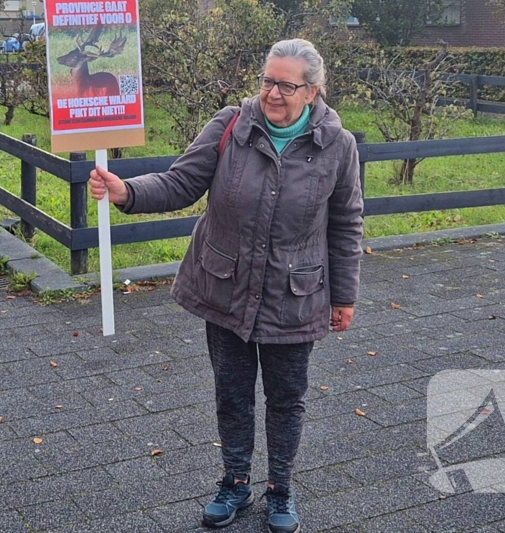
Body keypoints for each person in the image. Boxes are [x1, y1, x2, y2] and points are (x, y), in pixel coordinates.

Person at [89, 38, 364, 533]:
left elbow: (345, 224)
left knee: (286, 397)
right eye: (266, 80)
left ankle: (280, 489)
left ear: (313, 90)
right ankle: (234, 481)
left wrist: (344, 296)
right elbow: (181, 182)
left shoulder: (337, 147)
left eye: (285, 84)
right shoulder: (231, 125)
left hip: (293, 295)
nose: (272, 93)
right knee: (232, 392)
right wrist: (126, 191)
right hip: (225, 285)